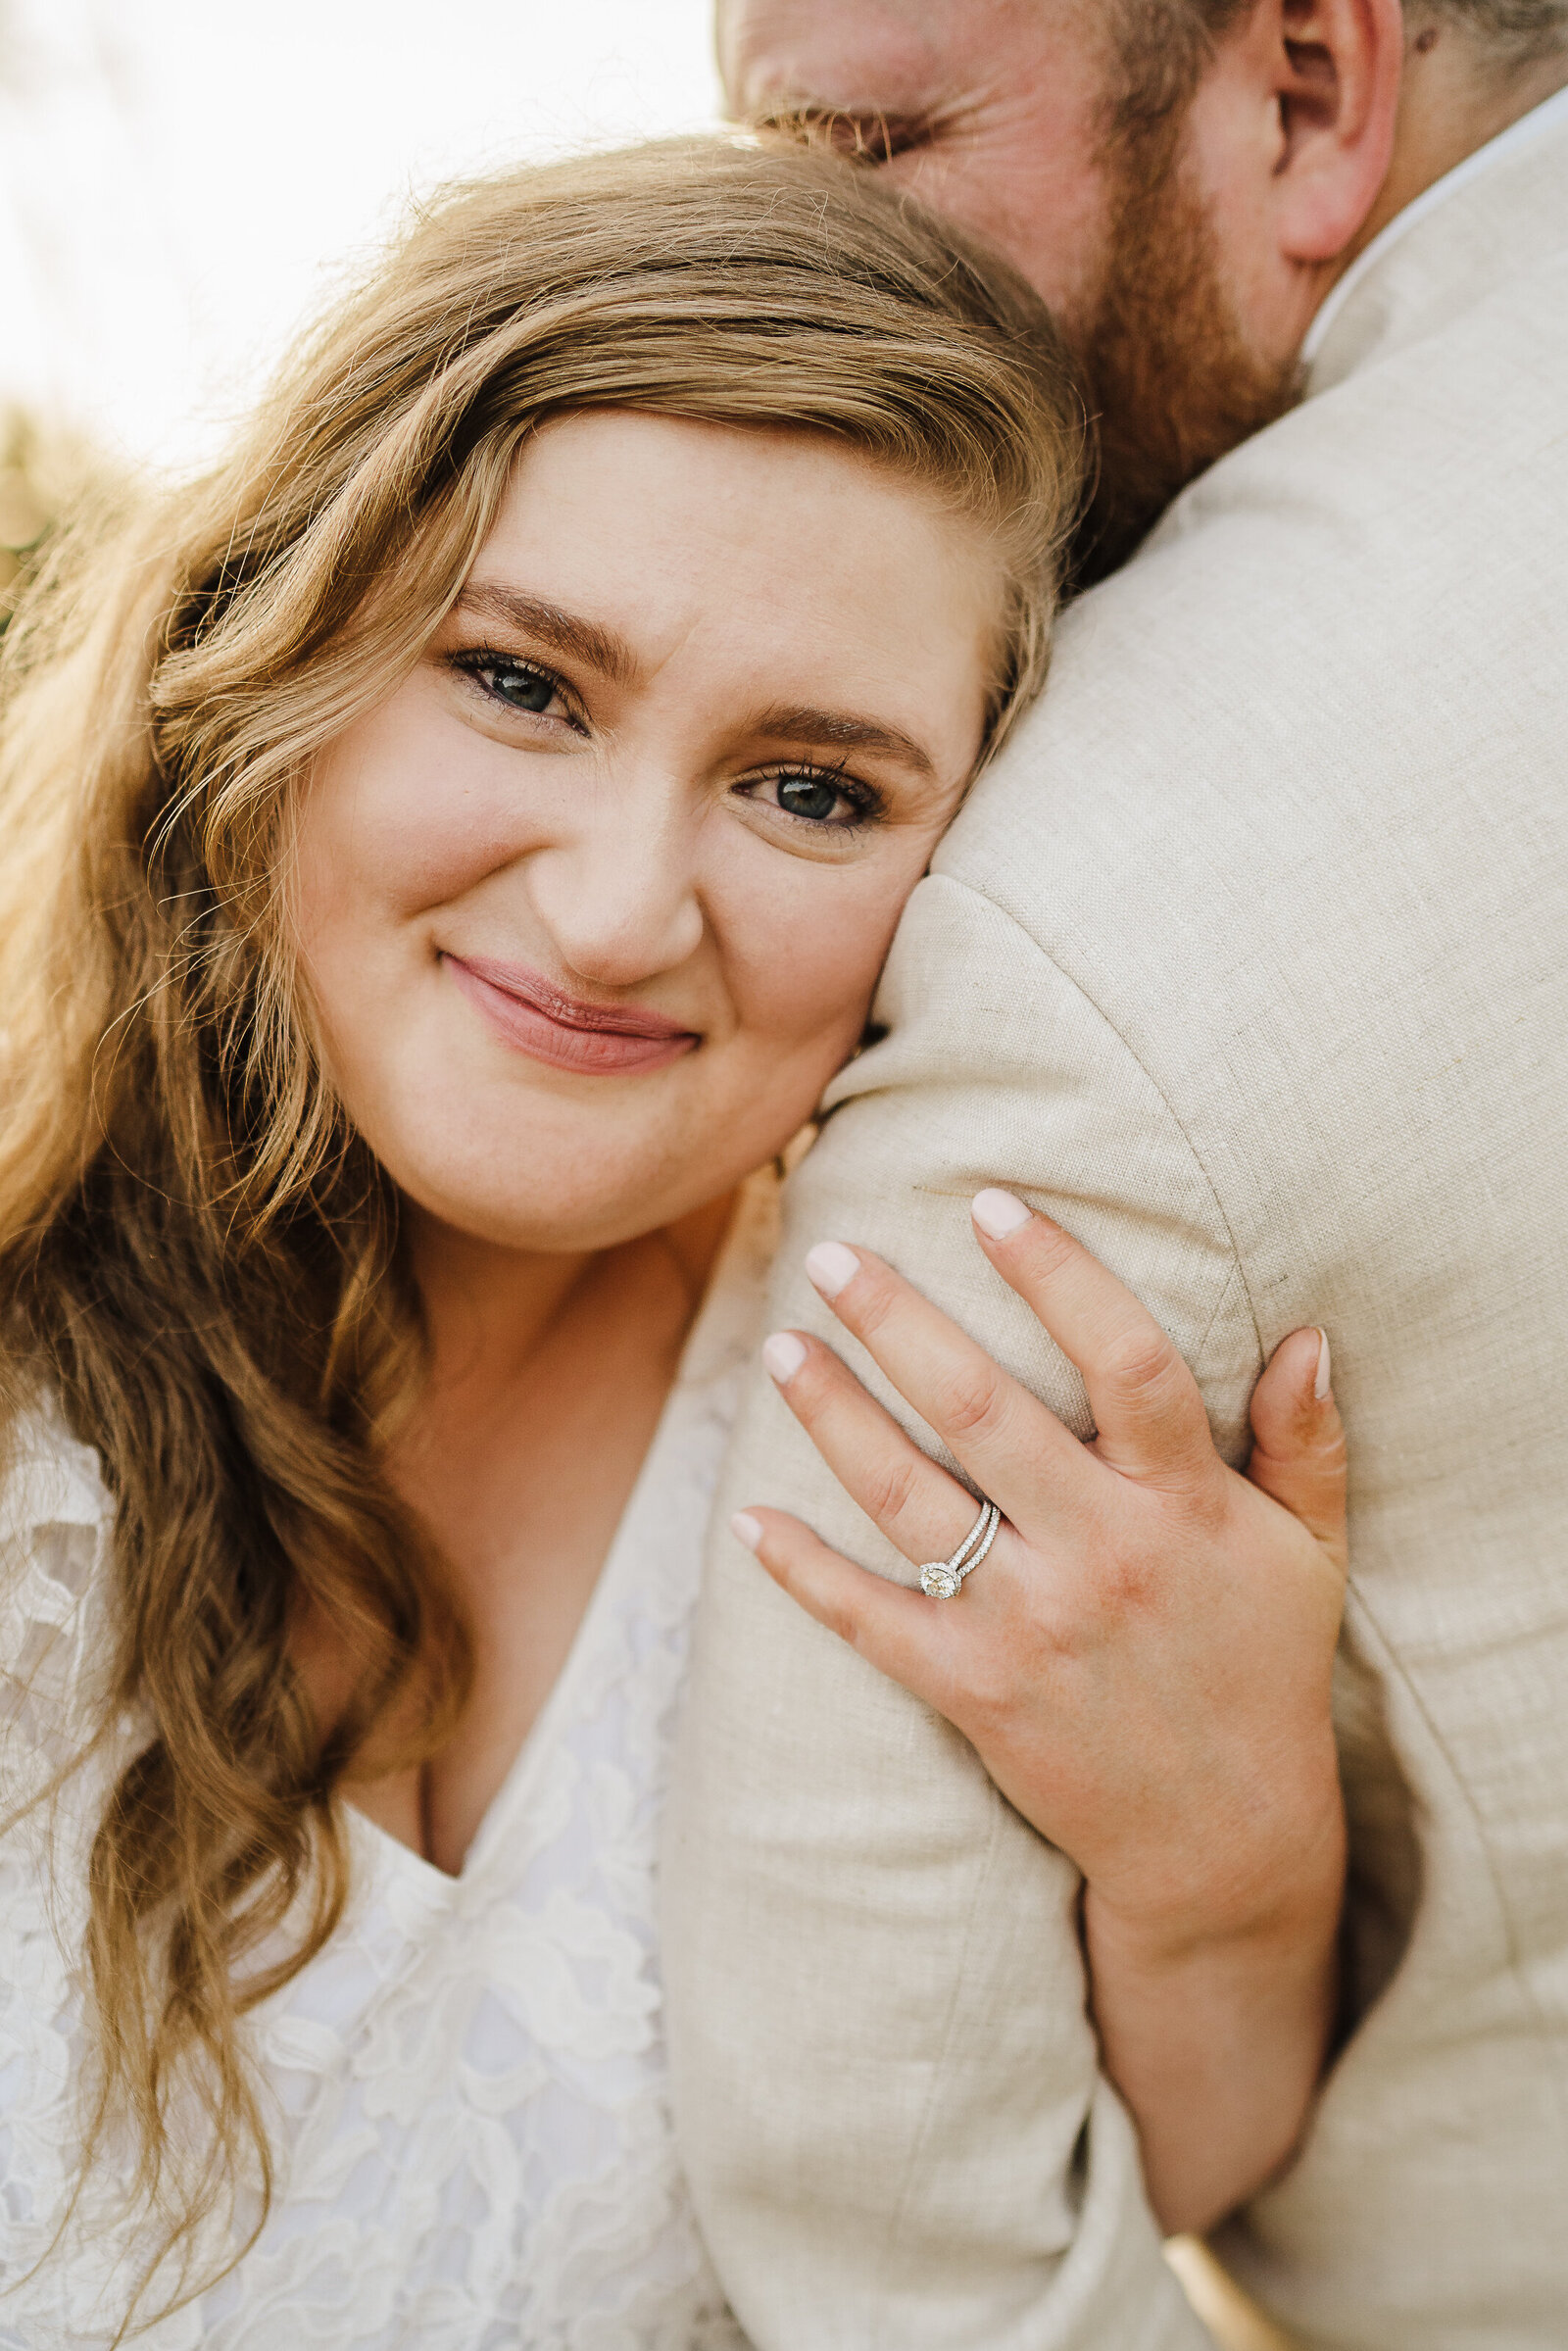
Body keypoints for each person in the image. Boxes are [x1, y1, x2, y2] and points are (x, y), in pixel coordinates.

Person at [0, 135, 1344, 2348]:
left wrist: (1221, 1853)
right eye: (522, 682)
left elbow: (1081, 2212)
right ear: (280, 636)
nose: (623, 912)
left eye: (812, 790)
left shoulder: (905, 1418)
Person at [665, 4, 1568, 2347]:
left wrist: (1228, 1871)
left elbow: (896, 2220)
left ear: (1297, 79)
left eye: (871, 141)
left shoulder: (1075, 899)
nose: (793, 263)